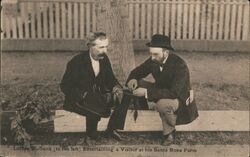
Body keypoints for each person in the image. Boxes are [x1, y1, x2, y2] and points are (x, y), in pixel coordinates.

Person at [126, 34, 199, 146]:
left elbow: (173, 93)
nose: (152, 57)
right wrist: (133, 79)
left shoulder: (179, 65)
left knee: (162, 104)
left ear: (166, 52)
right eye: (150, 54)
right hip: (161, 91)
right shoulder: (154, 59)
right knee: (139, 84)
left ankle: (170, 132)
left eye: (155, 54)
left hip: (179, 98)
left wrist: (146, 93)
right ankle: (145, 113)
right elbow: (138, 71)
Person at [60, 32, 123, 145]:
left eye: (106, 47)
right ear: (90, 46)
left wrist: (116, 87)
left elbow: (110, 78)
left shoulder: (104, 59)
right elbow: (65, 85)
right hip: (79, 100)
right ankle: (91, 135)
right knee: (94, 101)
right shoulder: (77, 62)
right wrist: (83, 95)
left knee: (125, 94)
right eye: (101, 47)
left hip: (98, 97)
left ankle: (112, 129)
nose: (105, 51)